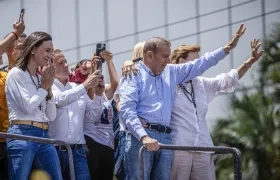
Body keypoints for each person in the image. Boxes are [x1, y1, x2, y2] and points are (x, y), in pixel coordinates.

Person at [119, 24, 246, 180]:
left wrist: (226, 49)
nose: (168, 60)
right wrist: (143, 136)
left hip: (165, 138)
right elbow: (126, 109)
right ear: (150, 55)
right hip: (141, 138)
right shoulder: (133, 74)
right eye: (165, 56)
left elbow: (199, 65)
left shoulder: (171, 72)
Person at [169, 39, 263, 180]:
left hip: (203, 147)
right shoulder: (168, 85)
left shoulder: (201, 83)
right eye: (195, 61)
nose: (199, 65)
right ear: (181, 62)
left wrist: (250, 61)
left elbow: (227, 80)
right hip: (180, 148)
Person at [5, 31, 62, 180]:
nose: (50, 55)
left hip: (44, 135)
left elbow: (51, 115)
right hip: (22, 134)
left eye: (52, 52)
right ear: (32, 49)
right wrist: (43, 87)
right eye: (47, 50)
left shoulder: (40, 78)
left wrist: (48, 88)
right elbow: (27, 107)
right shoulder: (16, 74)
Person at [48, 49, 104, 180]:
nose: (66, 65)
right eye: (61, 63)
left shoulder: (76, 87)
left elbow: (93, 117)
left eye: (66, 62)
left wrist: (98, 95)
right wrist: (86, 85)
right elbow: (58, 101)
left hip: (78, 151)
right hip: (54, 151)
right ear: (51, 67)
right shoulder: (48, 86)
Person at [84, 51, 119, 180]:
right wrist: (94, 68)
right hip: (92, 142)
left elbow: (115, 84)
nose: (100, 78)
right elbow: (91, 88)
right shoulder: (87, 92)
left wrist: (109, 62)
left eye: (101, 76)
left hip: (107, 144)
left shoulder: (104, 93)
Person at [0, 31, 27, 180]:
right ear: (9, 50)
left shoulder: (33, 76)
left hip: (23, 140)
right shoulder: (2, 76)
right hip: (3, 139)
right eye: (21, 47)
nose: (26, 51)